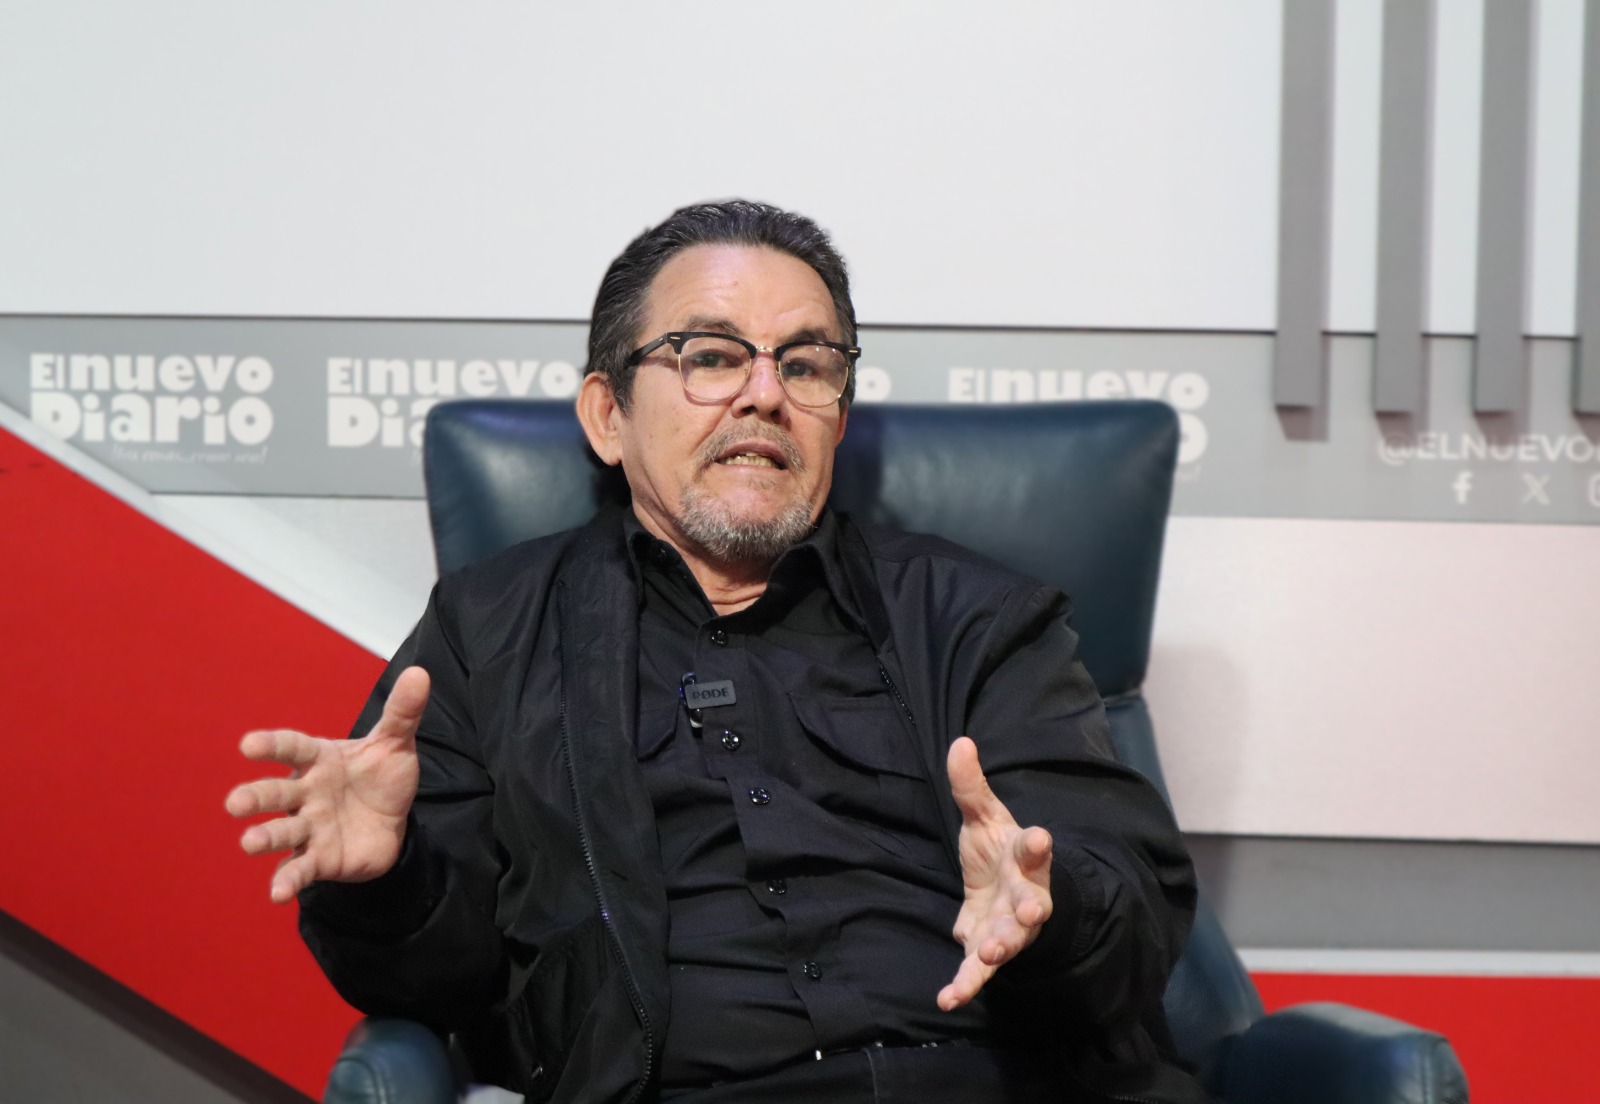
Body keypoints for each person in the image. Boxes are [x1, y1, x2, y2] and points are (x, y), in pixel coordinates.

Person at [227, 200, 1209, 1104]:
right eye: (710, 356)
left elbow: (1132, 921)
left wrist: (1051, 911)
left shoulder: (976, 618)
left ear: (838, 415)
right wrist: (386, 881)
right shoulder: (489, 631)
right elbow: (436, 981)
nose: (764, 395)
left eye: (806, 365)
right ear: (607, 416)